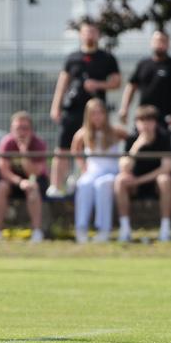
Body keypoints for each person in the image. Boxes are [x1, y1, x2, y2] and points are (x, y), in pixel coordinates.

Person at [48, 21, 120, 197]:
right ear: (81, 35)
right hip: (72, 111)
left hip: (96, 114)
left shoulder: (107, 58)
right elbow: (63, 82)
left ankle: (84, 178)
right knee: (63, 147)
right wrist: (55, 106)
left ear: (98, 35)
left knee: (94, 147)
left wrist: (98, 84)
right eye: (86, 32)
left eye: (93, 32)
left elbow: (116, 82)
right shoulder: (72, 58)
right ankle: (56, 186)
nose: (89, 35)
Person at [71, 98, 127, 243]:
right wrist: (83, 167)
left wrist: (125, 164)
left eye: (100, 112)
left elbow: (130, 140)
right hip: (92, 172)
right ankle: (81, 228)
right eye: (93, 113)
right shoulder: (83, 133)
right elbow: (75, 150)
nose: (97, 116)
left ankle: (104, 229)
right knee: (84, 184)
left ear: (105, 114)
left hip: (111, 172)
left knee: (102, 185)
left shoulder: (115, 131)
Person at [114, 105, 171, 243]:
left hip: (155, 183)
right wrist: (137, 146)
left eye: (149, 121)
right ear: (136, 123)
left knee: (165, 180)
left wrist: (139, 181)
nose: (145, 125)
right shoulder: (132, 138)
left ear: (155, 122)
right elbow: (124, 168)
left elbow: (166, 168)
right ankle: (125, 230)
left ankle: (165, 229)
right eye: (141, 121)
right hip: (135, 184)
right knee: (120, 180)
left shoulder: (164, 138)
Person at [0, 111, 49, 242]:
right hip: (14, 180)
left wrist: (24, 153)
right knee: (1, 186)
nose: (21, 132)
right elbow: (3, 170)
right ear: (12, 129)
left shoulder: (38, 144)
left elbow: (35, 173)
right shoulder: (7, 142)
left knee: (33, 189)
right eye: (18, 128)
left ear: (31, 130)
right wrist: (20, 182)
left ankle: (36, 232)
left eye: (25, 128)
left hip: (34, 180)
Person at [119, 30, 171, 130]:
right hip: (143, 117)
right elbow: (131, 86)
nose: (159, 43)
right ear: (151, 42)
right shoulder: (143, 64)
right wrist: (124, 108)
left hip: (166, 118)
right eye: (157, 40)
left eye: (163, 41)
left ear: (168, 43)